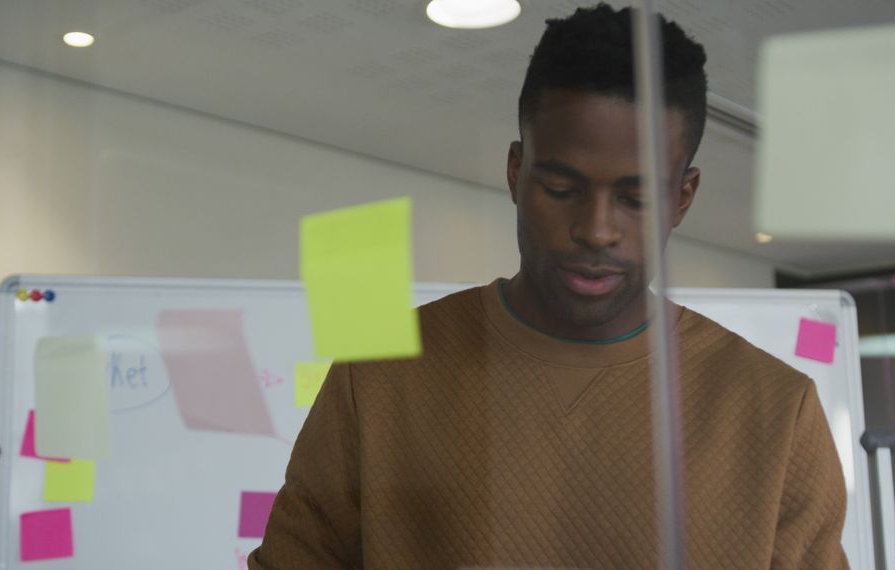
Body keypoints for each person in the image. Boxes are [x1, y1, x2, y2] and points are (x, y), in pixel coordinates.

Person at [250, 4, 848, 569]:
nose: (596, 230)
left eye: (636, 199)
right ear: (516, 172)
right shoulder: (378, 375)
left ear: (682, 198)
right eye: (561, 190)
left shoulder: (774, 412)